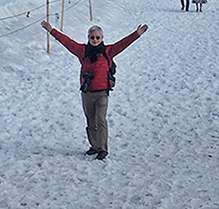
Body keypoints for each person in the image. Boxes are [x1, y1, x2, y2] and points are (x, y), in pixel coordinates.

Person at [41, 21, 148, 160]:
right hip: (87, 93)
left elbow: (123, 44)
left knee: (100, 120)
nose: (95, 40)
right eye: (92, 37)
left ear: (102, 38)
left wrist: (136, 34)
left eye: (98, 37)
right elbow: (67, 42)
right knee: (91, 121)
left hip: (102, 93)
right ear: (88, 38)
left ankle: (103, 148)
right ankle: (94, 146)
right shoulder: (82, 51)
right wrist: (52, 31)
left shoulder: (108, 51)